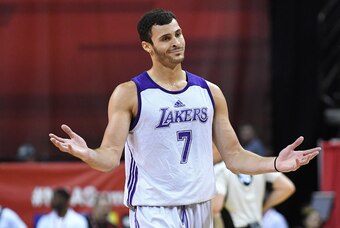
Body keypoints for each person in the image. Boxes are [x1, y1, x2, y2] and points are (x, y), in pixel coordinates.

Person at [49, 9, 321, 227]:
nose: (176, 42)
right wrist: (86, 153)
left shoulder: (208, 91)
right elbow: (109, 157)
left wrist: (275, 163)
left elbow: (235, 157)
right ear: (147, 46)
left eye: (178, 34)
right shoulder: (130, 93)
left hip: (200, 206)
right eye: (166, 38)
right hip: (153, 208)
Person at [212, 160, 295, 228]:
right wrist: (263, 209)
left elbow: (216, 208)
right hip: (257, 225)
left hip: (236, 224)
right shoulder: (256, 162)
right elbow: (287, 187)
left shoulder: (220, 169)